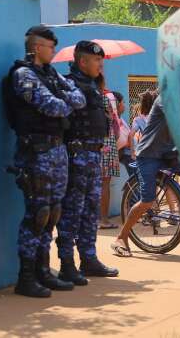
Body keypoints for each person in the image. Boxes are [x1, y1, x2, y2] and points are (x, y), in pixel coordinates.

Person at [4, 26, 85, 298]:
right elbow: (53, 106)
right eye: (50, 47)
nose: (54, 51)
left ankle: (43, 271)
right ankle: (25, 277)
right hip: (35, 154)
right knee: (37, 216)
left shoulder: (51, 74)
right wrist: (65, 99)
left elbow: (79, 98)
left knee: (53, 213)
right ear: (37, 47)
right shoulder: (23, 75)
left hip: (57, 150)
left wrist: (64, 98)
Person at [56, 41, 119, 280]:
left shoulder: (92, 85)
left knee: (91, 211)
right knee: (73, 210)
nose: (100, 64)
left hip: (93, 153)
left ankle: (89, 259)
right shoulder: (70, 84)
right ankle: (67, 263)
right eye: (96, 61)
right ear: (82, 62)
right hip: (77, 154)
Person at [110, 93, 180, 257]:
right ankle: (121, 238)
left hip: (168, 153)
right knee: (147, 200)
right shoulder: (165, 99)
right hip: (149, 155)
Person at [98, 74, 120, 230]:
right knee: (105, 182)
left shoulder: (84, 95)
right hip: (107, 142)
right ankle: (103, 219)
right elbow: (114, 120)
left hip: (90, 144)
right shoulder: (107, 97)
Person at [129, 89, 157, 159]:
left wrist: (133, 153)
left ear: (142, 105)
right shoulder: (159, 117)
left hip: (146, 153)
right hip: (160, 152)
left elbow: (131, 135)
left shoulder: (138, 119)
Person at [113, 91, 134, 176]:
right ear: (117, 104)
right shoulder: (113, 120)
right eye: (123, 102)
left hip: (127, 150)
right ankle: (135, 185)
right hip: (121, 152)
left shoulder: (121, 119)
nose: (125, 105)